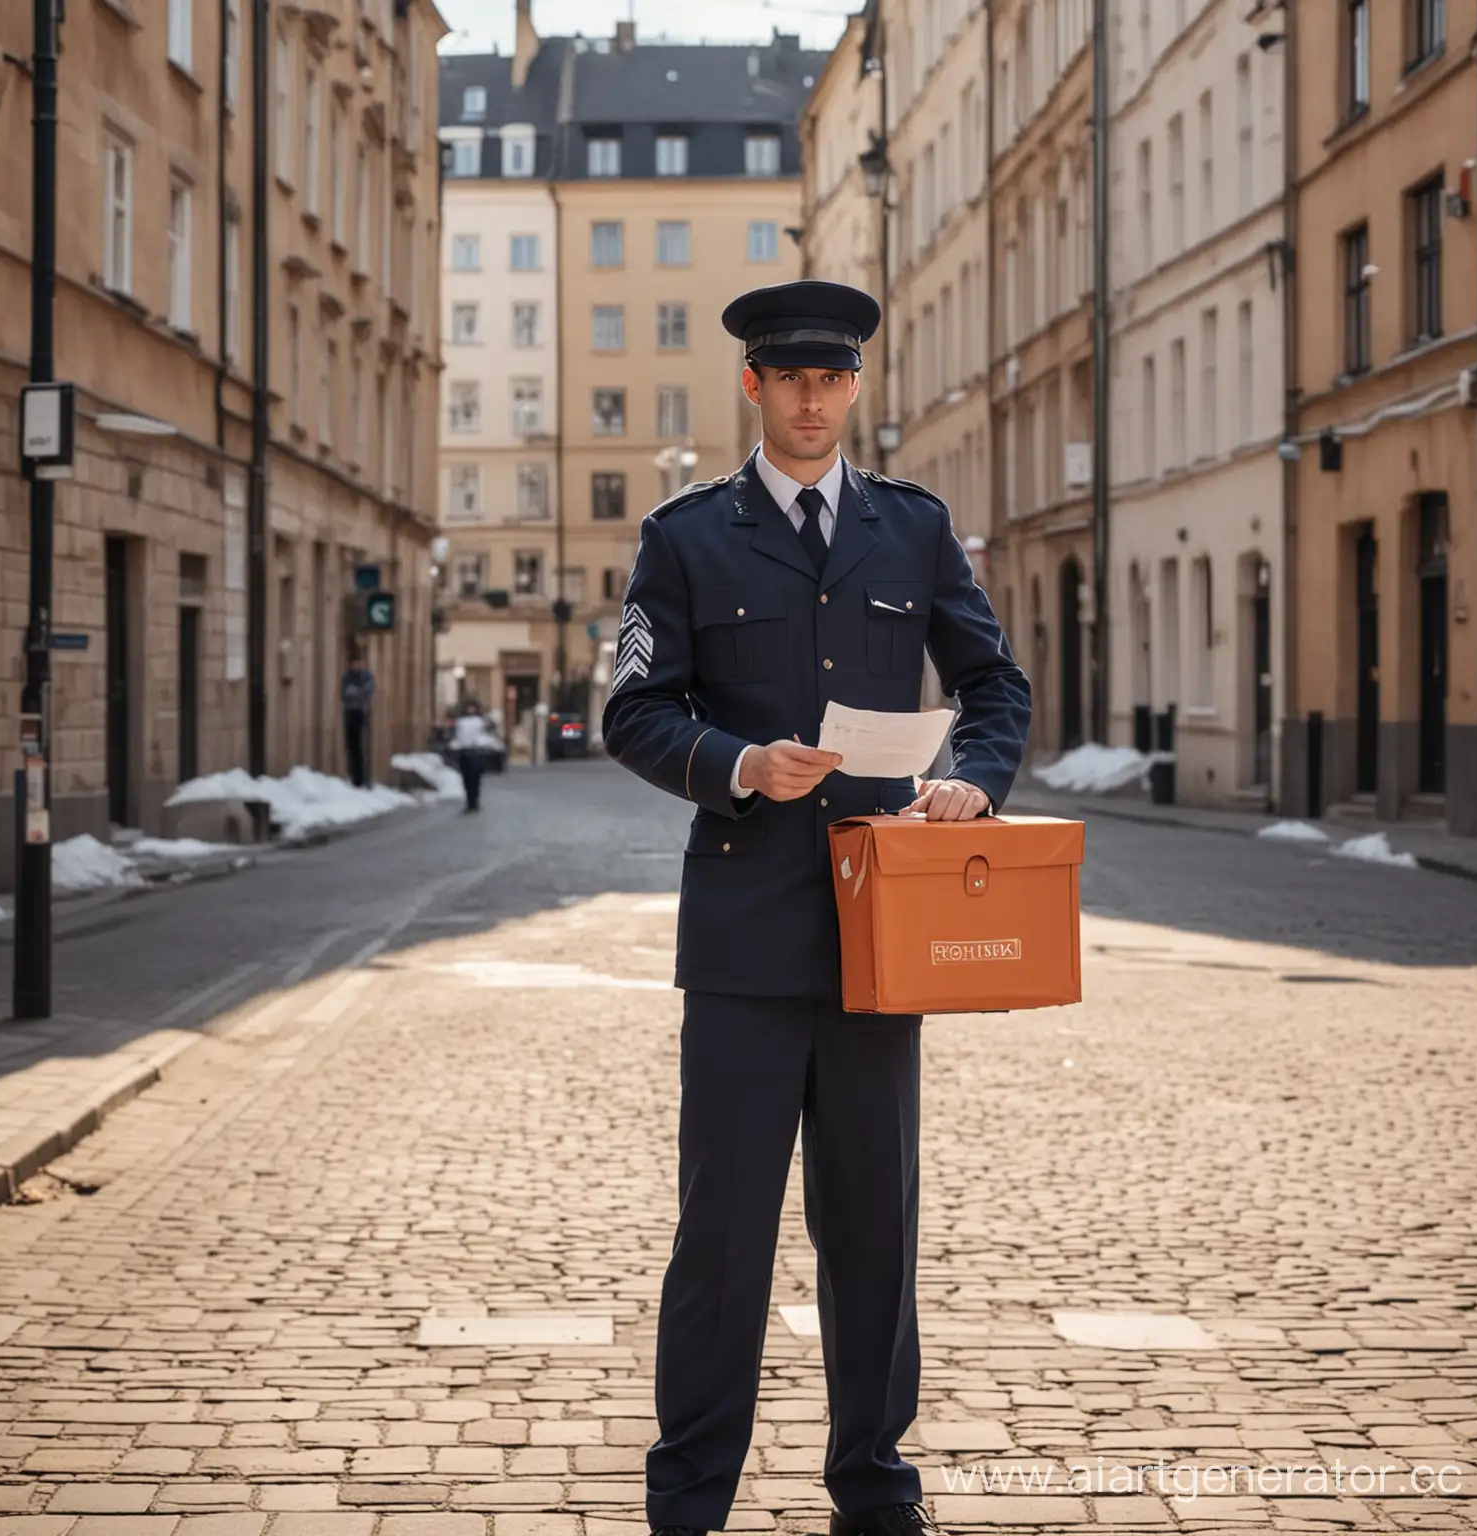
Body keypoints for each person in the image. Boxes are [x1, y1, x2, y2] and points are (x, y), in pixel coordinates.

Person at [601, 279, 1032, 1536]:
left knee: (873, 1232)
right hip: (742, 943)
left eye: (831, 377)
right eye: (788, 377)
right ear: (754, 386)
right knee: (722, 1243)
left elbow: (994, 683)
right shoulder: (685, 536)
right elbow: (633, 710)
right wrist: (737, 765)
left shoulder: (913, 528)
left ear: (854, 387)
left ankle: (874, 1489)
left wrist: (970, 781)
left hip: (882, 937)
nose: (809, 396)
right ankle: (688, 1502)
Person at [340, 653, 375, 788]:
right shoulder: (347, 677)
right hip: (350, 712)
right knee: (351, 745)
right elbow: (345, 692)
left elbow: (367, 690)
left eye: (357, 662)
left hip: (361, 712)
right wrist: (357, 692)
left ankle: (362, 778)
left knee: (361, 744)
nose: (354, 666)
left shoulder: (365, 676)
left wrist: (355, 692)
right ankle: (353, 776)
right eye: (352, 663)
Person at [452, 700, 494, 812]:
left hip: (475, 751)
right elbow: (458, 737)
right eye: (468, 708)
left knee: (475, 779)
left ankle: (474, 802)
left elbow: (484, 735)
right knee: (467, 779)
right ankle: (470, 802)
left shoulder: (480, 722)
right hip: (465, 751)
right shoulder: (461, 722)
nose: (470, 710)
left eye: (472, 708)